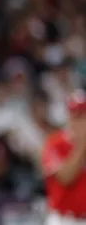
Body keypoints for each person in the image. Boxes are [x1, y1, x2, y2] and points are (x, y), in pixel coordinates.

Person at [42, 89, 86, 225]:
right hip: (64, 220)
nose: (79, 121)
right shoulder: (55, 142)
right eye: (75, 115)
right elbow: (65, 177)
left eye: (83, 115)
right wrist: (83, 144)